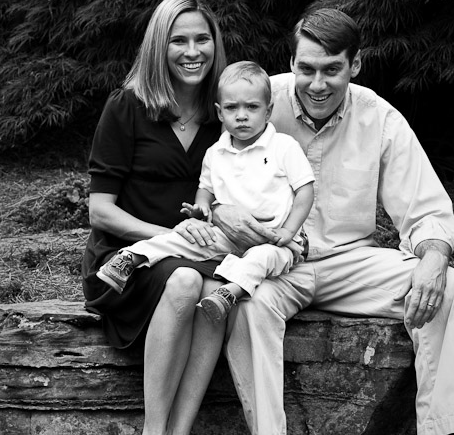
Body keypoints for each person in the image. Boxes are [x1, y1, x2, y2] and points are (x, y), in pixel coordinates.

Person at [203, 3, 454, 435]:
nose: (317, 83)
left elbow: (425, 210)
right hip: (275, 260)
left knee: (451, 286)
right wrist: (221, 214)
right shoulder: (259, 101)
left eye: (332, 69)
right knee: (247, 305)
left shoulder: (380, 117)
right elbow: (214, 173)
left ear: (355, 64)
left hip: (351, 262)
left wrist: (434, 255)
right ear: (291, 62)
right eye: (306, 68)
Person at [82, 0, 229, 435]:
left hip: (200, 257)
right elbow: (100, 210)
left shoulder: (226, 113)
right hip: (125, 262)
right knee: (186, 281)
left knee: (216, 293)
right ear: (157, 47)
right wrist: (166, 235)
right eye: (178, 40)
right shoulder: (127, 107)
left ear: (215, 44)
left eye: (202, 39)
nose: (192, 51)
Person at [96, 61, 315, 323]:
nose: (242, 115)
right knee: (186, 239)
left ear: (268, 111)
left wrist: (288, 231)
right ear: (220, 113)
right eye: (232, 108)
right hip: (228, 236)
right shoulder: (215, 152)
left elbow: (305, 191)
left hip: (274, 239)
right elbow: (205, 189)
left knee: (262, 258)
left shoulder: (283, 146)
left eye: (252, 107)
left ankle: (228, 293)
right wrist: (201, 208)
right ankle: (131, 258)